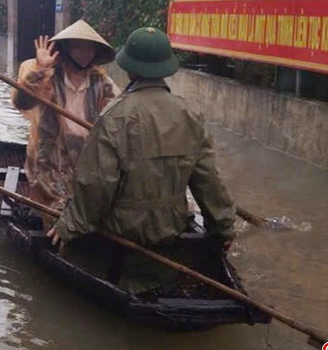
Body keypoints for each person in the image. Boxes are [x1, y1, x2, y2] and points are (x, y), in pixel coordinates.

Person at [46, 27, 237, 293]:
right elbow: (208, 181)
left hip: (121, 233)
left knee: (71, 241)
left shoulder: (114, 116)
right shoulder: (189, 114)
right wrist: (223, 227)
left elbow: (96, 186)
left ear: (130, 70)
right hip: (170, 229)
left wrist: (69, 225)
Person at [12, 19, 120, 216]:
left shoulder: (101, 81)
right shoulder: (49, 77)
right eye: (78, 47)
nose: (84, 53)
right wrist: (40, 70)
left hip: (86, 159)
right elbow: (23, 102)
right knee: (57, 211)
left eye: (89, 48)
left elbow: (118, 114)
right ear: (66, 48)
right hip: (50, 159)